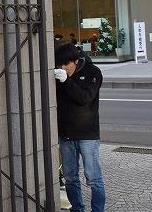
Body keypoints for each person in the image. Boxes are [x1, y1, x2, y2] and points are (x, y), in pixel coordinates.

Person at [54, 42, 105, 212]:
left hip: (87, 135)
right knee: (70, 178)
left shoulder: (93, 72)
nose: (63, 67)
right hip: (66, 135)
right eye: (59, 64)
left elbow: (84, 98)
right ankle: (77, 209)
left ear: (75, 61)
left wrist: (66, 81)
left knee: (93, 178)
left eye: (66, 64)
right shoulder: (59, 75)